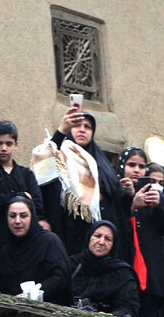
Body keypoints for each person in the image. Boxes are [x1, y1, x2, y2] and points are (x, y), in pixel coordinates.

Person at [39, 102, 122, 255]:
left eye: (87, 126)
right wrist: (60, 131)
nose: (82, 129)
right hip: (70, 230)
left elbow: (115, 194)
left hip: (102, 234)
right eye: (77, 125)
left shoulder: (101, 161)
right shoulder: (59, 152)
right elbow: (44, 164)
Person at [111, 147, 164, 317]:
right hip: (122, 276)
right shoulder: (113, 191)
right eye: (131, 164)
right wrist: (132, 206)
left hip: (151, 280)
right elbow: (111, 227)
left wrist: (159, 205)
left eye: (141, 166)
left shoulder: (154, 195)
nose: (136, 170)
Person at [0, 194, 70, 303]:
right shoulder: (4, 252)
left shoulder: (49, 241)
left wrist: (31, 294)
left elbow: (60, 277)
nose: (17, 221)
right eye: (12, 216)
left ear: (32, 217)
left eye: (23, 215)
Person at [69, 221, 139, 317]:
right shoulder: (72, 264)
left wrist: (110, 316)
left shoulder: (122, 273)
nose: (101, 242)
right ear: (89, 237)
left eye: (108, 239)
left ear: (113, 244)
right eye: (97, 236)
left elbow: (129, 308)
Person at [0, 120, 44, 216]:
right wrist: (22, 196)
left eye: (8, 144)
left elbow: (37, 206)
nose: (3, 148)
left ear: (16, 145)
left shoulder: (26, 174)